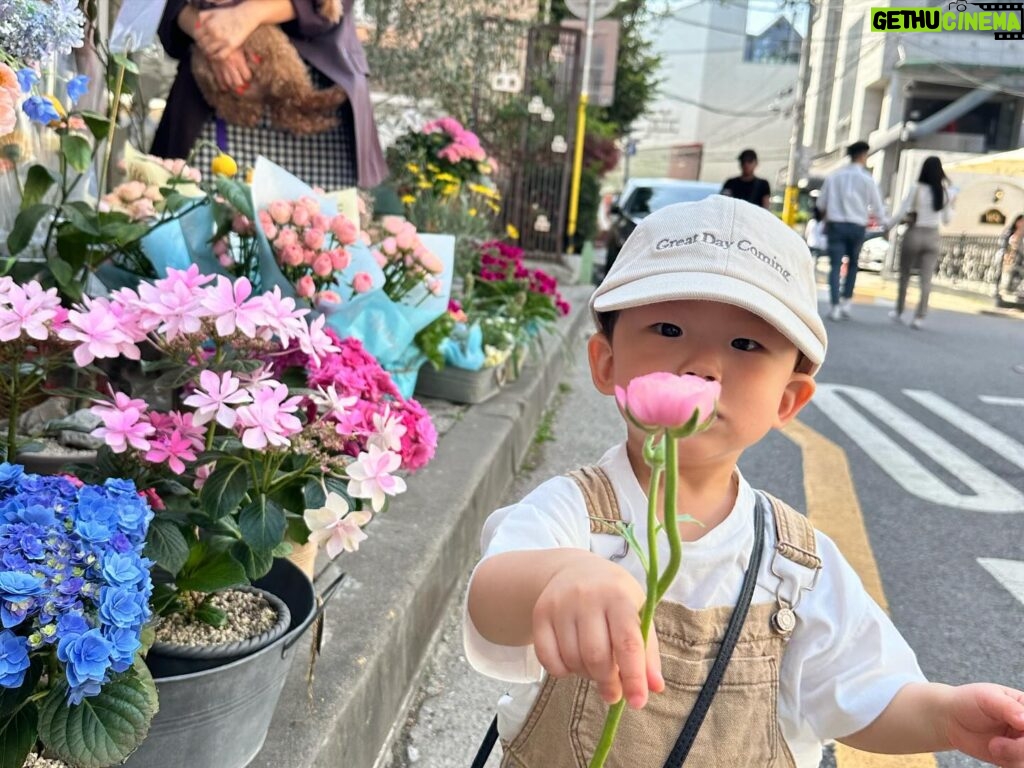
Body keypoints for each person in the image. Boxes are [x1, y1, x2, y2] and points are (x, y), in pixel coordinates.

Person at [464, 196, 1024, 768]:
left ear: (789, 399)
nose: (703, 365)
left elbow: (866, 694)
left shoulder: (797, 564)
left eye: (746, 344)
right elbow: (490, 598)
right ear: (606, 362)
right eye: (668, 327)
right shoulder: (576, 513)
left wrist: (946, 717)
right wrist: (561, 574)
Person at [151, 0, 388, 190]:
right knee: (205, 230)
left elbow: (331, 7)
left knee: (317, 235)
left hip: (319, 93)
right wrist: (212, 37)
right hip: (216, 98)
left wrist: (249, 14)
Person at [817, 140, 889, 321]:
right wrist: (885, 223)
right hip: (857, 226)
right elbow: (878, 207)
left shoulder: (834, 177)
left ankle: (834, 305)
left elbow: (820, 204)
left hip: (836, 225)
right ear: (863, 155)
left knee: (835, 266)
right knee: (853, 265)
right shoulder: (867, 179)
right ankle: (846, 302)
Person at [887, 156, 955, 330]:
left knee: (905, 274)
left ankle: (899, 310)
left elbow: (902, 211)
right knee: (926, 279)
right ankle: (919, 316)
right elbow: (947, 219)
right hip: (933, 235)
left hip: (915, 232)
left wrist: (887, 226)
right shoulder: (944, 191)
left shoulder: (916, 188)